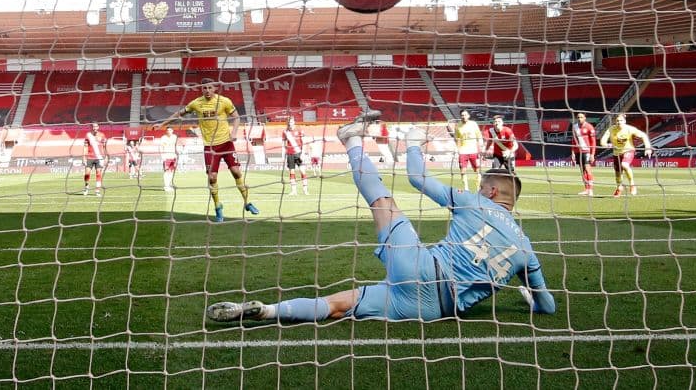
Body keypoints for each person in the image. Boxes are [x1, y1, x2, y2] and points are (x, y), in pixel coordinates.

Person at [207, 112, 555, 324]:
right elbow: (548, 307)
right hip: (433, 310)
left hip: (420, 269)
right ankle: (266, 311)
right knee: (340, 306)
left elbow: (417, 178)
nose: (480, 189)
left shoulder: (476, 204)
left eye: (483, 185)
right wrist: (530, 297)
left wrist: (416, 142)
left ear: (492, 192)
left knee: (381, 198)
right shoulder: (526, 249)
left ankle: (351, 140)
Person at [157, 77, 258, 223]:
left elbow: (236, 117)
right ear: (201, 89)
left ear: (215, 88)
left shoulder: (224, 101)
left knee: (236, 172)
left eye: (210, 87)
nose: (207, 90)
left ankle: (247, 203)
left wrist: (234, 133)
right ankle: (218, 207)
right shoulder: (196, 104)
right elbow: (179, 114)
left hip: (226, 144)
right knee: (212, 178)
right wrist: (162, 124)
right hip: (210, 147)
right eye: (204, 88)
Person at [600, 113, 653, 197]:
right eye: (617, 120)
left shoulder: (630, 129)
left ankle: (632, 185)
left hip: (628, 150)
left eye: (621, 120)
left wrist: (647, 147)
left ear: (624, 121)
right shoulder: (611, 129)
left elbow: (643, 135)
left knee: (624, 164)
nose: (619, 122)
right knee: (618, 173)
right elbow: (602, 141)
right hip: (616, 153)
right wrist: (607, 145)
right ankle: (619, 188)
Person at [451, 109, 483, 191]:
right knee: (463, 171)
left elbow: (479, 136)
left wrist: (480, 147)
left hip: (473, 151)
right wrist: (458, 149)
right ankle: (466, 188)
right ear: (460, 116)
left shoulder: (473, 124)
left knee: (477, 170)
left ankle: (478, 188)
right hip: (463, 151)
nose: (463, 117)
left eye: (465, 115)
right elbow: (457, 139)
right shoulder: (458, 126)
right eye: (462, 115)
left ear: (468, 116)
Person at [282, 118, 310, 195]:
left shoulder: (299, 130)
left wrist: (303, 153)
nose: (290, 123)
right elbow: (284, 144)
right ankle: (294, 191)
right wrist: (284, 155)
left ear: (294, 122)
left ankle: (305, 190)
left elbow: (304, 142)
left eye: (291, 122)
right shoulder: (285, 132)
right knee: (292, 172)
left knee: (302, 170)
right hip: (290, 154)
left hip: (298, 153)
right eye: (288, 122)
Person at [572, 113, 597, 196]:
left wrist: (592, 154)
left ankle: (591, 189)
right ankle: (586, 189)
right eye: (578, 117)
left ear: (585, 118)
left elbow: (593, 142)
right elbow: (573, 140)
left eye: (581, 117)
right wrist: (573, 152)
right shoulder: (574, 127)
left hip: (587, 151)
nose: (579, 119)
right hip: (578, 152)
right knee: (582, 170)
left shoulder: (589, 127)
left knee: (587, 168)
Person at [82, 122, 107, 196]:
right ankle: (86, 187)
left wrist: (106, 157)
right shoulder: (88, 135)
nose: (95, 128)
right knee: (87, 173)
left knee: (98, 173)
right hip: (89, 157)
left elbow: (105, 147)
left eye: (96, 126)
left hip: (99, 158)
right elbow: (85, 147)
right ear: (91, 127)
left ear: (98, 127)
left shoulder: (102, 135)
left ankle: (97, 190)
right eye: (93, 127)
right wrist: (83, 157)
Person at [160, 127, 179, 193]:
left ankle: (169, 185)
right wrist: (162, 156)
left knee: (171, 171)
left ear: (172, 131)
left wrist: (177, 154)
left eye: (170, 130)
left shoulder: (175, 137)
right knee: (166, 171)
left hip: (173, 156)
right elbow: (161, 147)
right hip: (166, 156)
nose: (169, 131)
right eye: (167, 130)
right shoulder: (163, 138)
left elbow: (176, 146)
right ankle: (166, 186)